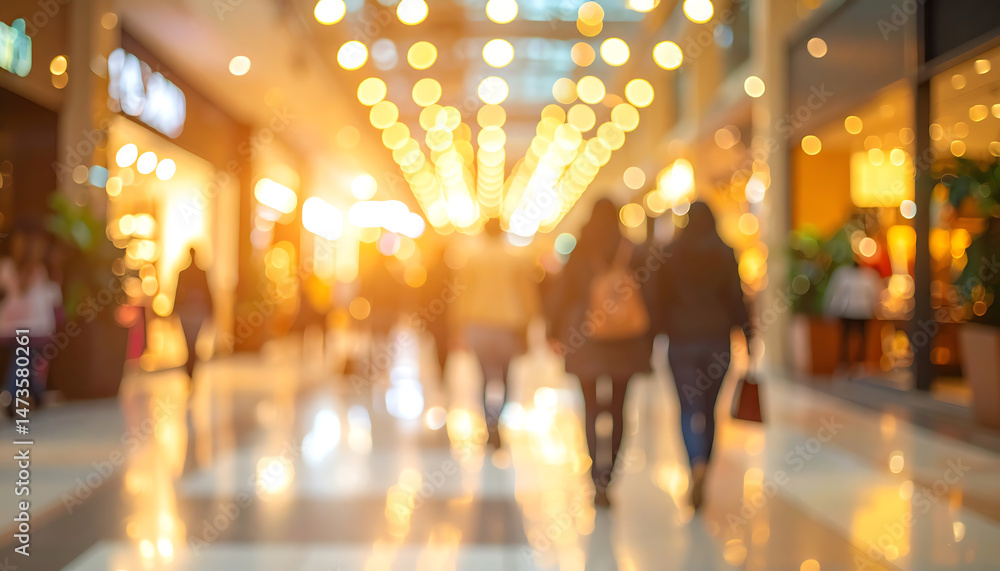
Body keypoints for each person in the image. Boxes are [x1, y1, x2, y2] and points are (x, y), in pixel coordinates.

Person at [548, 199, 655, 507]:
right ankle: (610, 476)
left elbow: (562, 292)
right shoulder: (631, 250)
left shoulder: (579, 250)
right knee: (619, 407)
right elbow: (649, 295)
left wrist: (553, 330)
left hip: (585, 338)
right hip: (626, 341)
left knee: (591, 409)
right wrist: (651, 336)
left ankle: (596, 474)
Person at [655, 201, 751, 511]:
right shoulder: (724, 252)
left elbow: (659, 298)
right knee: (709, 410)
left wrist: (658, 331)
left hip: (682, 342)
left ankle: (694, 463)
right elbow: (737, 298)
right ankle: (704, 468)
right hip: (717, 342)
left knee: (687, 408)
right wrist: (748, 337)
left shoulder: (672, 253)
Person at [456, 219, 539, 448]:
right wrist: (530, 324)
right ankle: (499, 421)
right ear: (502, 232)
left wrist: (459, 328)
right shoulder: (515, 260)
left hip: (479, 325)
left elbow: (461, 297)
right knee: (506, 376)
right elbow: (527, 295)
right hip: (508, 326)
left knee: (483, 377)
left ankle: (488, 424)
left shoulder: (472, 261)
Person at [0, 227, 61, 411]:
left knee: (24, 359)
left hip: (12, 322)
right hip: (35, 324)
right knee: (24, 359)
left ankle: (36, 394)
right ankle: (12, 394)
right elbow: (52, 297)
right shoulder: (41, 270)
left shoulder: (7, 267)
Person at [824, 257, 882, 375]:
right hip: (848, 312)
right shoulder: (843, 275)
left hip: (863, 313)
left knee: (862, 340)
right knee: (845, 339)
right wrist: (832, 311)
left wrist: (875, 309)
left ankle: (859, 364)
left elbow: (876, 295)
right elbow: (836, 294)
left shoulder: (869, 276)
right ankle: (844, 364)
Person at [174, 247, 213, 380]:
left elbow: (207, 290)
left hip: (196, 312)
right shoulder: (184, 273)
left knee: (192, 341)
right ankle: (190, 367)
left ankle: (191, 367)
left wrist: (210, 309)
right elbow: (178, 291)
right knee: (189, 341)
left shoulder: (200, 272)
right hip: (188, 312)